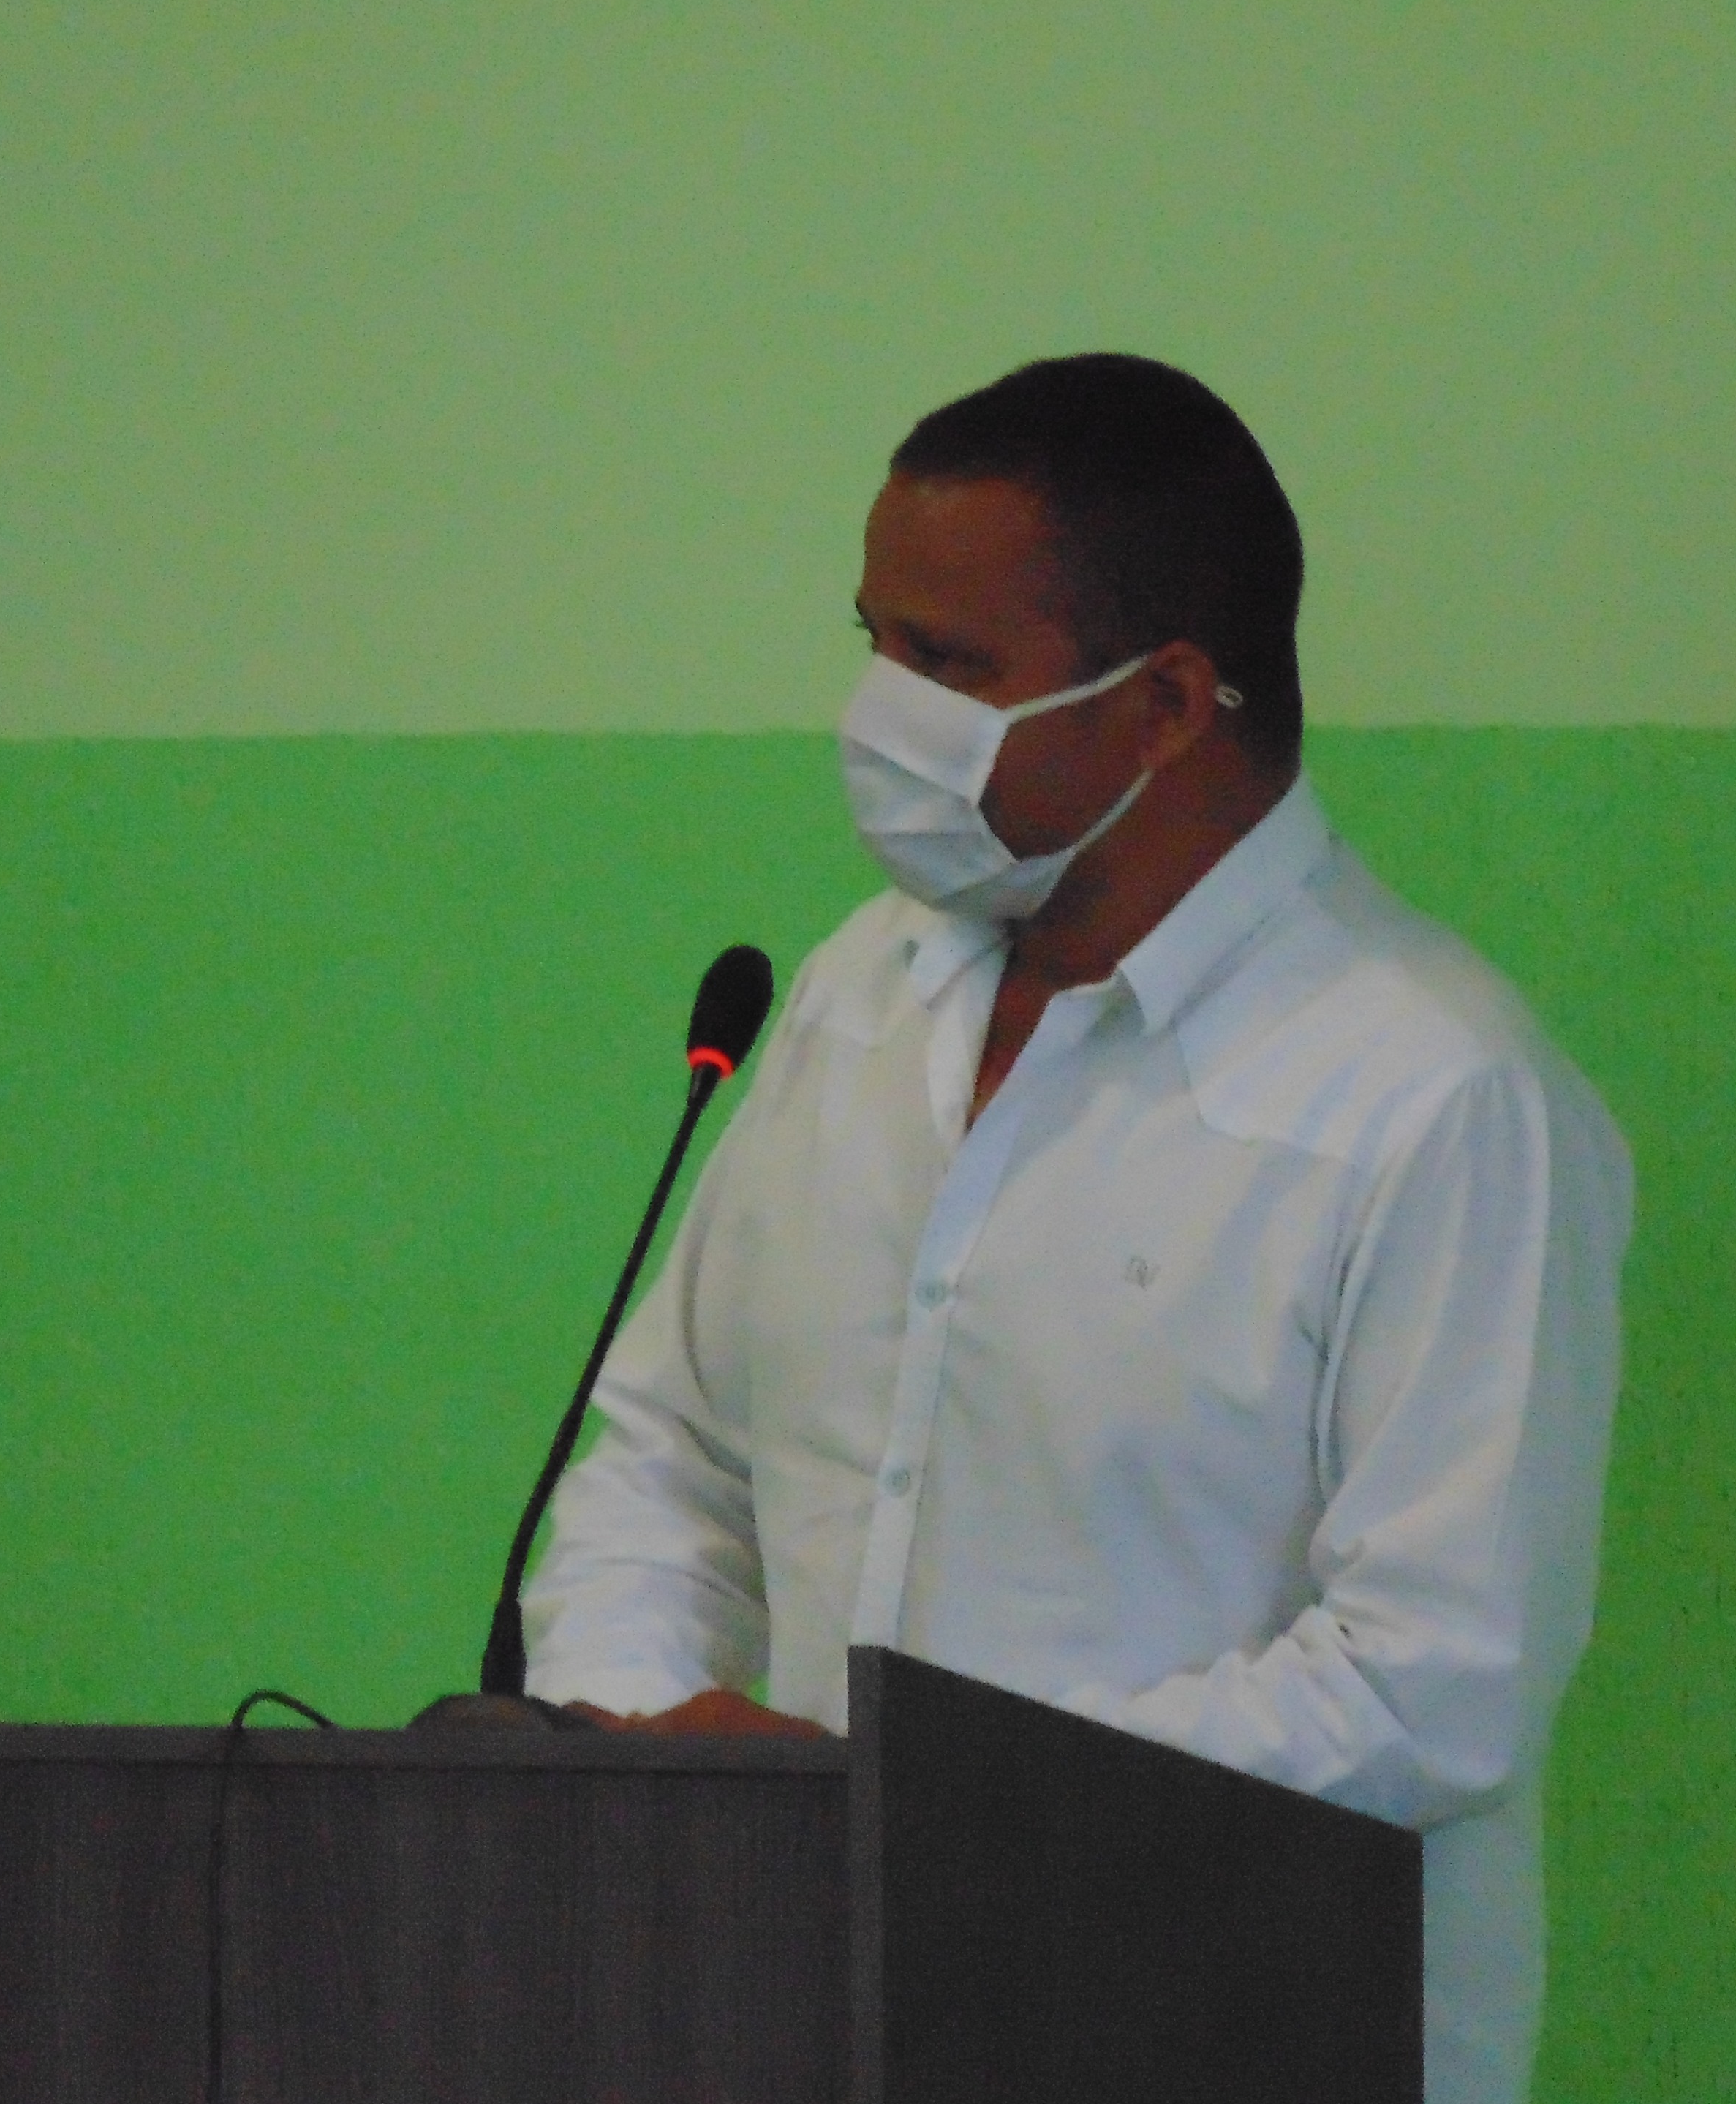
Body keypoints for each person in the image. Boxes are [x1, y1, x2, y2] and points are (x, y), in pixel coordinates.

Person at [520, 354, 1631, 2104]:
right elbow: (672, 1457)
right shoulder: (855, 995)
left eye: (947, 665)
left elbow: (1433, 1682)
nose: (878, 713)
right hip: (808, 2015)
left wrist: (905, 1821)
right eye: (874, 642)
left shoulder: (1434, 1097)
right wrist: (643, 1742)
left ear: (1167, 701)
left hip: (1232, 2033)